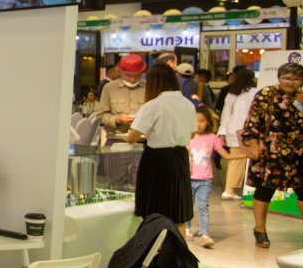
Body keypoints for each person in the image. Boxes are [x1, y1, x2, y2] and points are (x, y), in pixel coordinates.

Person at [128, 62, 196, 237]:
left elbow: (132, 137)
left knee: (153, 211)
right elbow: (192, 133)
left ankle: (154, 251)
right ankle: (178, 253)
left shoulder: (152, 105)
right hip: (180, 157)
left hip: (156, 160)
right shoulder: (188, 104)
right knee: (177, 213)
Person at [240, 61, 303, 249]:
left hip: (299, 152)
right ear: (279, 78)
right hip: (271, 151)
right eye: (286, 78)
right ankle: (259, 229)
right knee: (265, 189)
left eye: (296, 79)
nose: (291, 82)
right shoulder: (266, 94)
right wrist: (253, 145)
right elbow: (252, 122)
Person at [187, 106, 231, 249]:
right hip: (187, 178)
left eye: (202, 121)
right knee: (187, 205)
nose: (198, 124)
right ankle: (186, 229)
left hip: (205, 180)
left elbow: (226, 155)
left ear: (208, 122)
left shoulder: (213, 138)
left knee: (203, 206)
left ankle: (204, 233)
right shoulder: (186, 137)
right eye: (195, 120)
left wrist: (246, 154)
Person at [218, 66, 257, 200]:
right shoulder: (255, 92)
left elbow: (225, 113)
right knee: (249, 161)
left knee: (235, 161)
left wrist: (222, 131)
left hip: (232, 130)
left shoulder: (232, 93)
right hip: (249, 131)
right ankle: (235, 190)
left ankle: (230, 189)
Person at [97, 53, 146, 136]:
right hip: (115, 137)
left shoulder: (149, 88)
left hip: (143, 137)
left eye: (137, 76)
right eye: (129, 76)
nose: (133, 79)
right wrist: (117, 119)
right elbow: (101, 116)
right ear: (121, 73)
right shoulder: (109, 88)